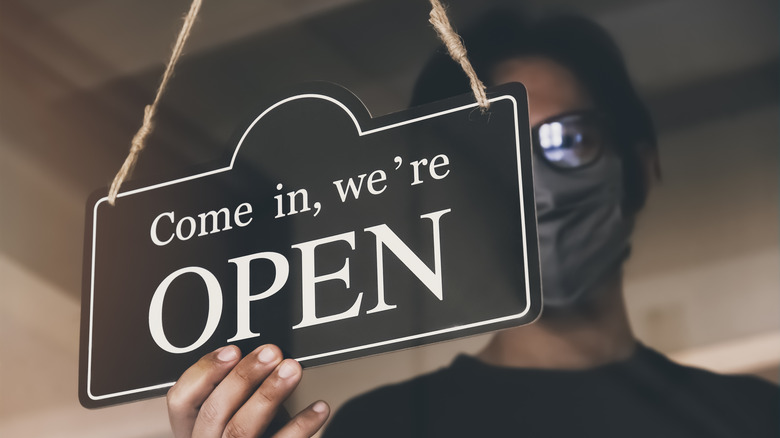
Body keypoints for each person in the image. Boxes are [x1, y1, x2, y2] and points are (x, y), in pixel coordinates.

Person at [165, 10, 779, 438]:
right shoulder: (386, 431)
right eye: (492, 157)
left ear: (640, 168)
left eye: (566, 140)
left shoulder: (756, 418)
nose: (535, 187)